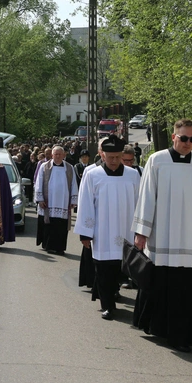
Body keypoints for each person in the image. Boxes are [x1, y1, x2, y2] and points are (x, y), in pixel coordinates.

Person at [132, 119, 192, 352]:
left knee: (187, 289)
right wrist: (142, 232)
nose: (188, 143)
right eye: (184, 138)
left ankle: (184, 334)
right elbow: (147, 196)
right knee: (162, 285)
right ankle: (159, 328)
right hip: (163, 235)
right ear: (173, 137)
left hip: (191, 236)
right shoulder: (157, 160)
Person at [75, 135, 140, 319]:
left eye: (117, 157)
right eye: (110, 157)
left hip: (126, 229)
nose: (114, 161)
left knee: (122, 269)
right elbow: (86, 203)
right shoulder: (93, 175)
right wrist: (85, 234)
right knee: (103, 270)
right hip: (102, 231)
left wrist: (140, 231)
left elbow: (139, 203)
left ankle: (117, 295)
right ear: (103, 155)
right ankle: (107, 305)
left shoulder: (133, 175)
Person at [35, 145, 78, 254]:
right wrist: (40, 199)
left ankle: (60, 248)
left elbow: (73, 184)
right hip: (49, 202)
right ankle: (48, 246)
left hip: (63, 203)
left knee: (61, 226)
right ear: (52, 155)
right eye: (56, 154)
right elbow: (39, 183)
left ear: (64, 155)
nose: (58, 156)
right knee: (49, 224)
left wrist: (73, 200)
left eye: (60, 154)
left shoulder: (69, 168)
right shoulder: (44, 166)